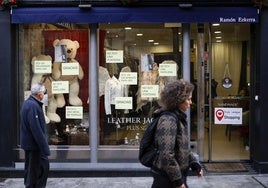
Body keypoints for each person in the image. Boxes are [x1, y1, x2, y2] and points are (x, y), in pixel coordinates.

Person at [151, 79, 203, 188]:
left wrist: (194, 164)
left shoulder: (177, 117)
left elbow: (182, 147)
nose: (191, 102)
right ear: (178, 100)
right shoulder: (168, 120)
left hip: (175, 177)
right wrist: (178, 182)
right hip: (167, 180)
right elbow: (166, 155)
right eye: (188, 99)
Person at [20, 82, 50, 188]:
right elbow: (36, 129)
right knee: (38, 169)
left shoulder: (29, 103)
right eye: (43, 92)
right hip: (34, 146)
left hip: (31, 145)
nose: (44, 95)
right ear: (40, 94)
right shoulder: (32, 106)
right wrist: (45, 148)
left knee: (32, 169)